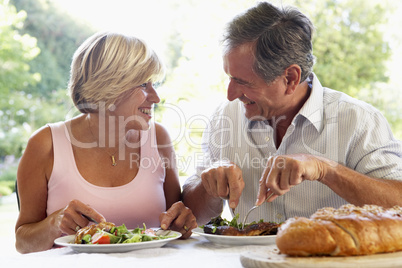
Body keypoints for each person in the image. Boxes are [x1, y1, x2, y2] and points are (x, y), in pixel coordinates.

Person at [182, 2, 402, 226]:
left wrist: (324, 169)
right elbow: (191, 214)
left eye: (242, 82)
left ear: (290, 78)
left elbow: (399, 203)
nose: (230, 95)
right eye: (229, 77)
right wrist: (207, 185)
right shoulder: (224, 118)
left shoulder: (359, 120)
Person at [15, 32, 197, 253]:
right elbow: (22, 243)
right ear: (108, 87)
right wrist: (53, 224)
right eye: (143, 85)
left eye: (153, 83)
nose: (156, 97)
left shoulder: (158, 138)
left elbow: (174, 225)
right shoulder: (46, 144)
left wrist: (182, 220)